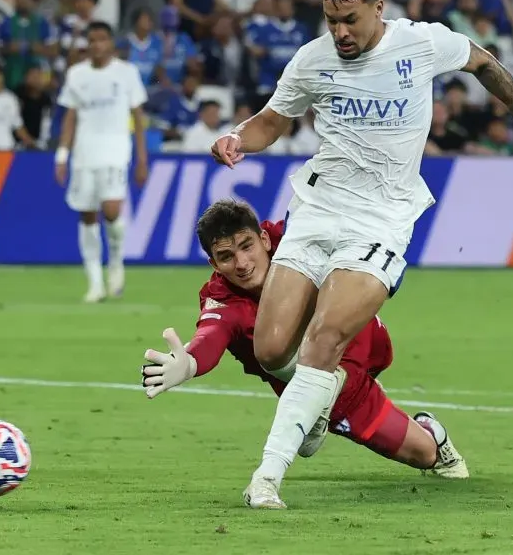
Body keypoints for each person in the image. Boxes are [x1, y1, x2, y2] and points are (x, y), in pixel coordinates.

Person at [207, 0, 513, 509]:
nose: (340, 32)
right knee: (270, 350)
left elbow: (484, 62)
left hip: (382, 220)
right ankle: (314, 404)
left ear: (378, 7)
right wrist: (238, 138)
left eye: (350, 20)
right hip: (317, 211)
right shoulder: (312, 60)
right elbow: (273, 118)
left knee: (322, 343)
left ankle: (266, 477)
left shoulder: (422, 42)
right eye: (331, 20)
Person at [140, 200, 468, 492]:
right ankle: (428, 430)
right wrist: (189, 364)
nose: (241, 263)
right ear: (214, 265)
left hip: (357, 340)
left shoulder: (297, 239)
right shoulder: (224, 300)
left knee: (338, 295)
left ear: (264, 239)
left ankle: (320, 402)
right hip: (330, 392)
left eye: (246, 246)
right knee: (424, 454)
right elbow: (208, 337)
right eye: (226, 257)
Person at [55, 22, 149, 303]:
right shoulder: (76, 74)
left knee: (110, 211)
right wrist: (62, 155)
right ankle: (95, 283)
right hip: (84, 153)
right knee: (86, 214)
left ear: (110, 43)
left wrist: (142, 158)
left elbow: (138, 118)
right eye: (92, 40)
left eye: (102, 40)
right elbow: (70, 117)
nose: (97, 45)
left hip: (116, 150)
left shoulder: (127, 73)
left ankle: (116, 262)